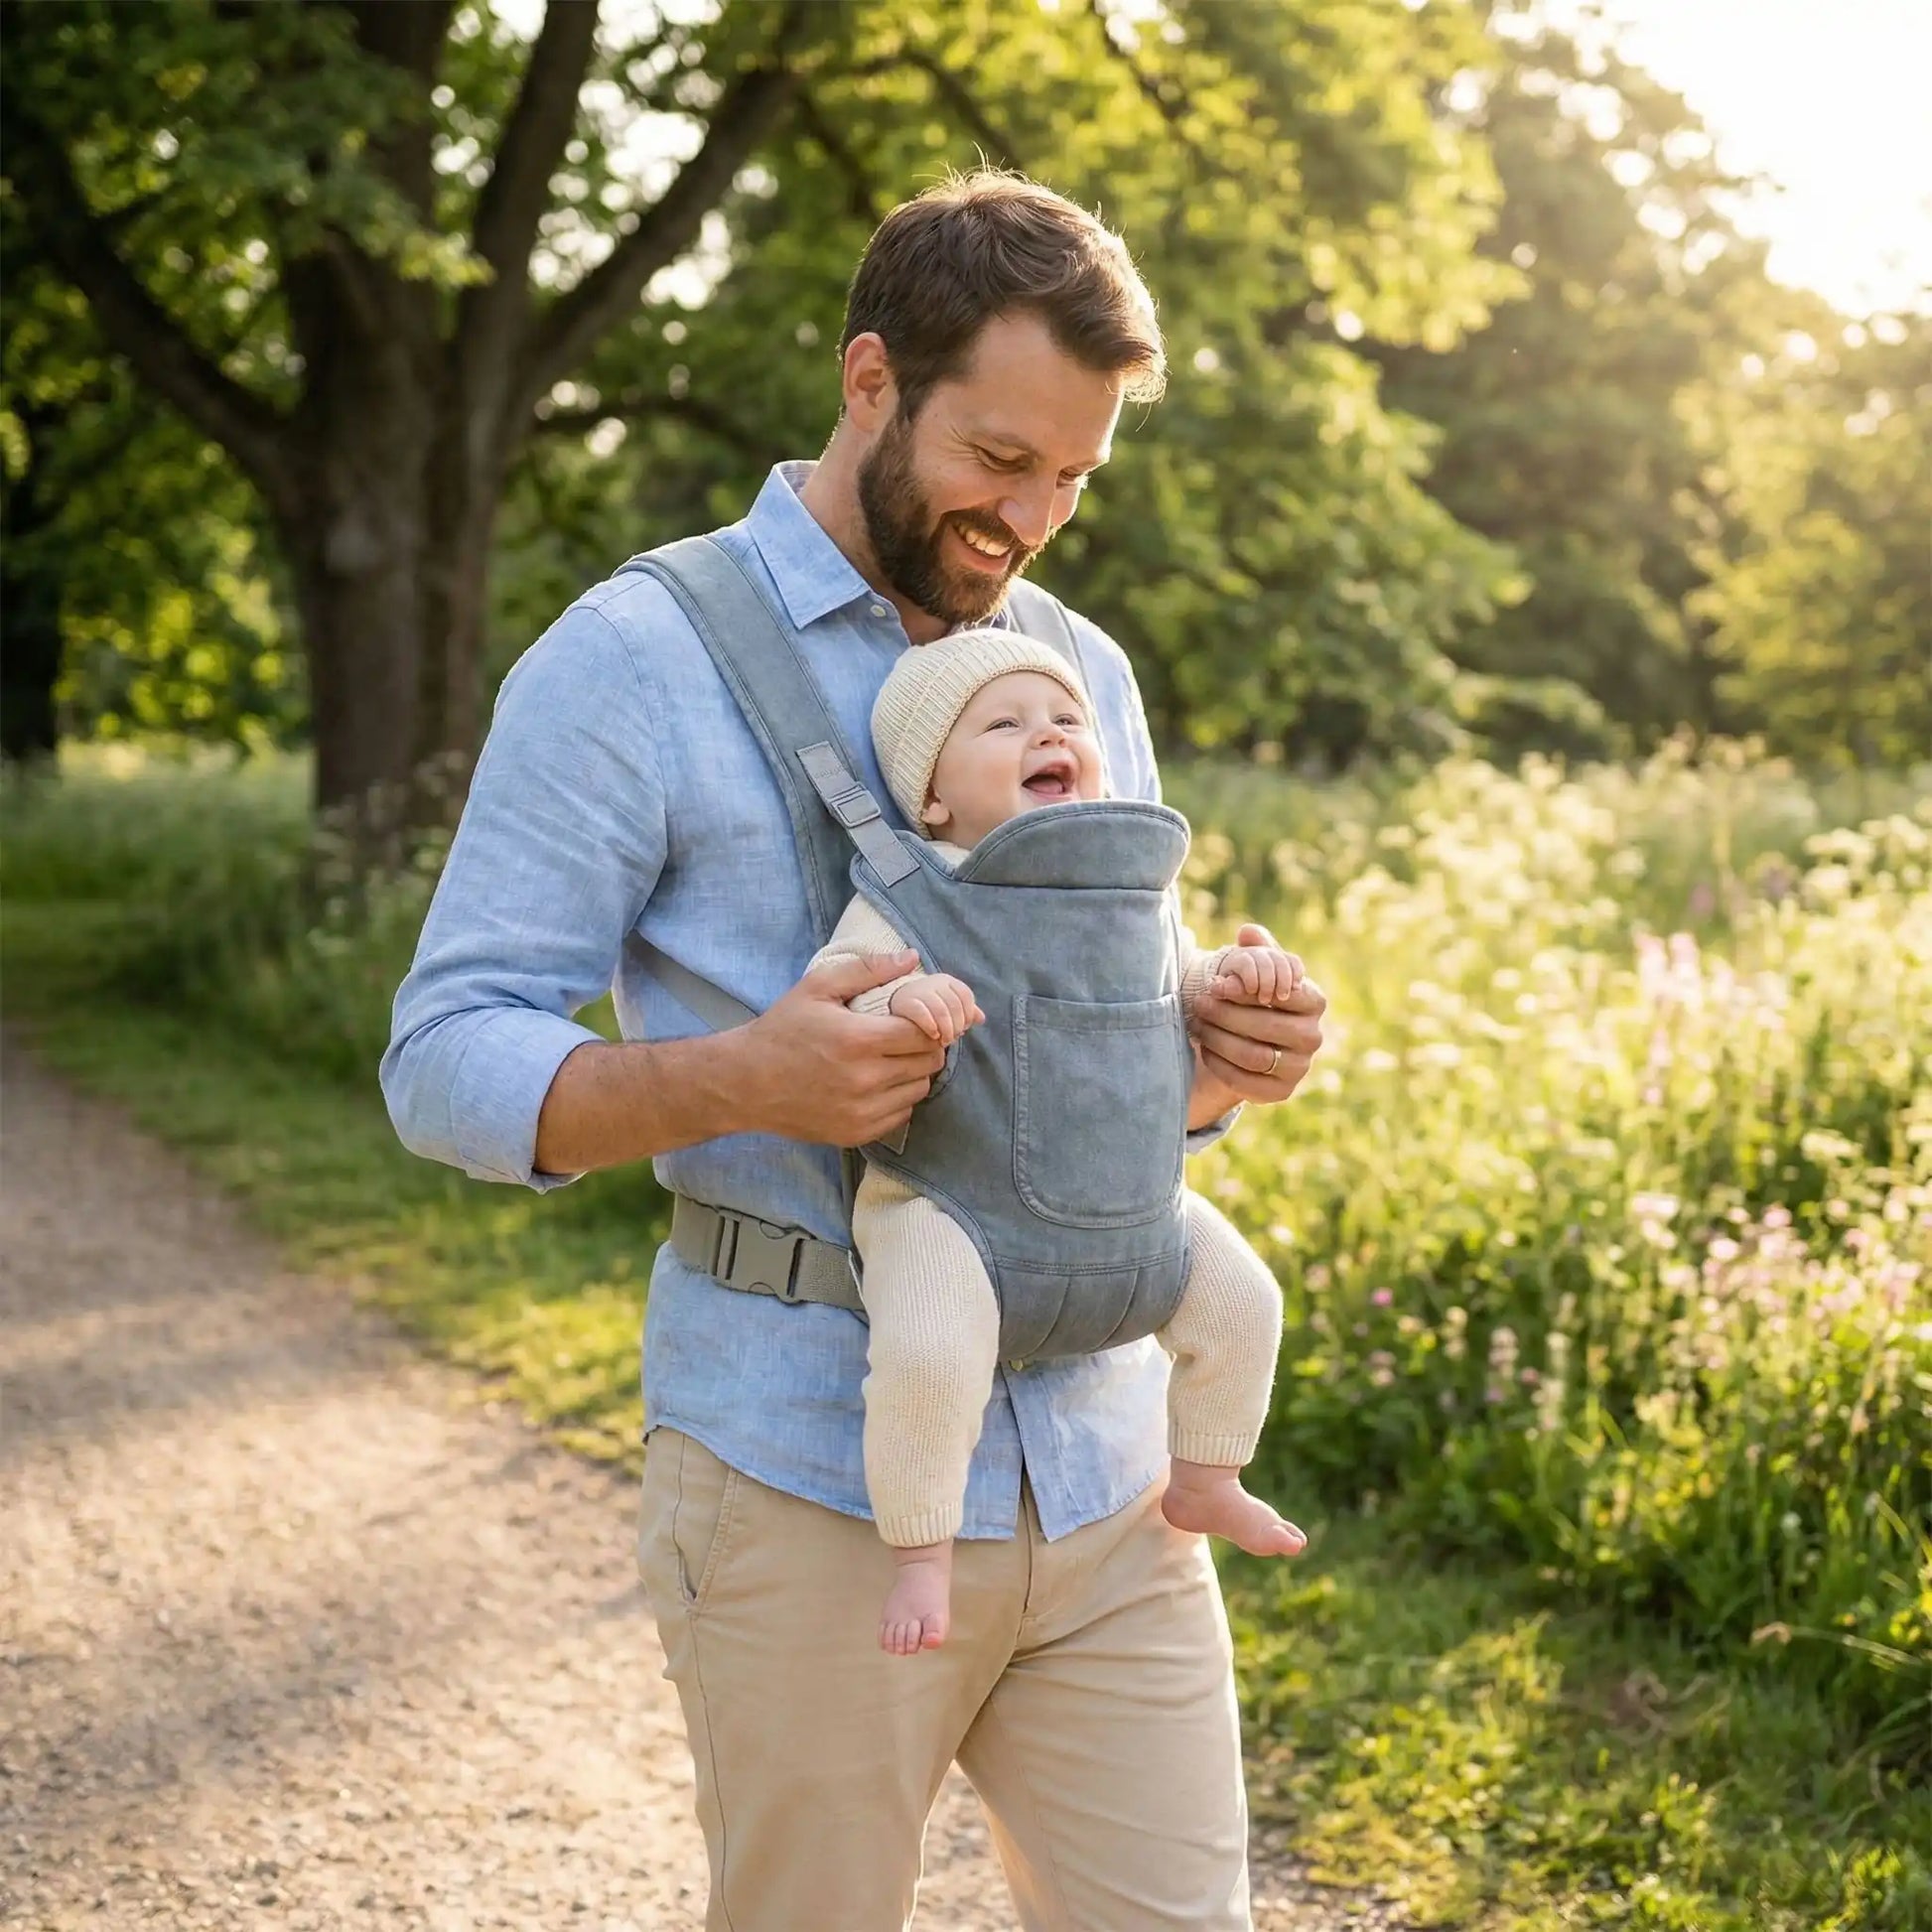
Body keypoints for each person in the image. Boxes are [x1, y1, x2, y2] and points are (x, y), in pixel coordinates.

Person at [382, 171, 1327, 1932]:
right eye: (1000, 458)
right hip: (808, 1477)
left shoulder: (1077, 668)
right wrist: (743, 1077)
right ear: (872, 377)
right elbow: (443, 1057)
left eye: (1073, 480)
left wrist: (1212, 1059)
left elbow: (1109, 1086)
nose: (1031, 519)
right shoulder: (629, 661)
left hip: (1113, 1480)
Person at [810, 628, 1309, 1657]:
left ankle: (1207, 1475)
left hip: (1126, 1208)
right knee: (929, 1349)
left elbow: (1177, 986)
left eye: (1065, 720)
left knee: (1243, 1297)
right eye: (1004, 723)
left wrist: (1231, 984)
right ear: (931, 795)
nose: (1048, 732)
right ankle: (920, 1548)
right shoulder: (911, 885)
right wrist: (907, 992)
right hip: (952, 1203)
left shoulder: (1119, 891)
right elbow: (845, 995)